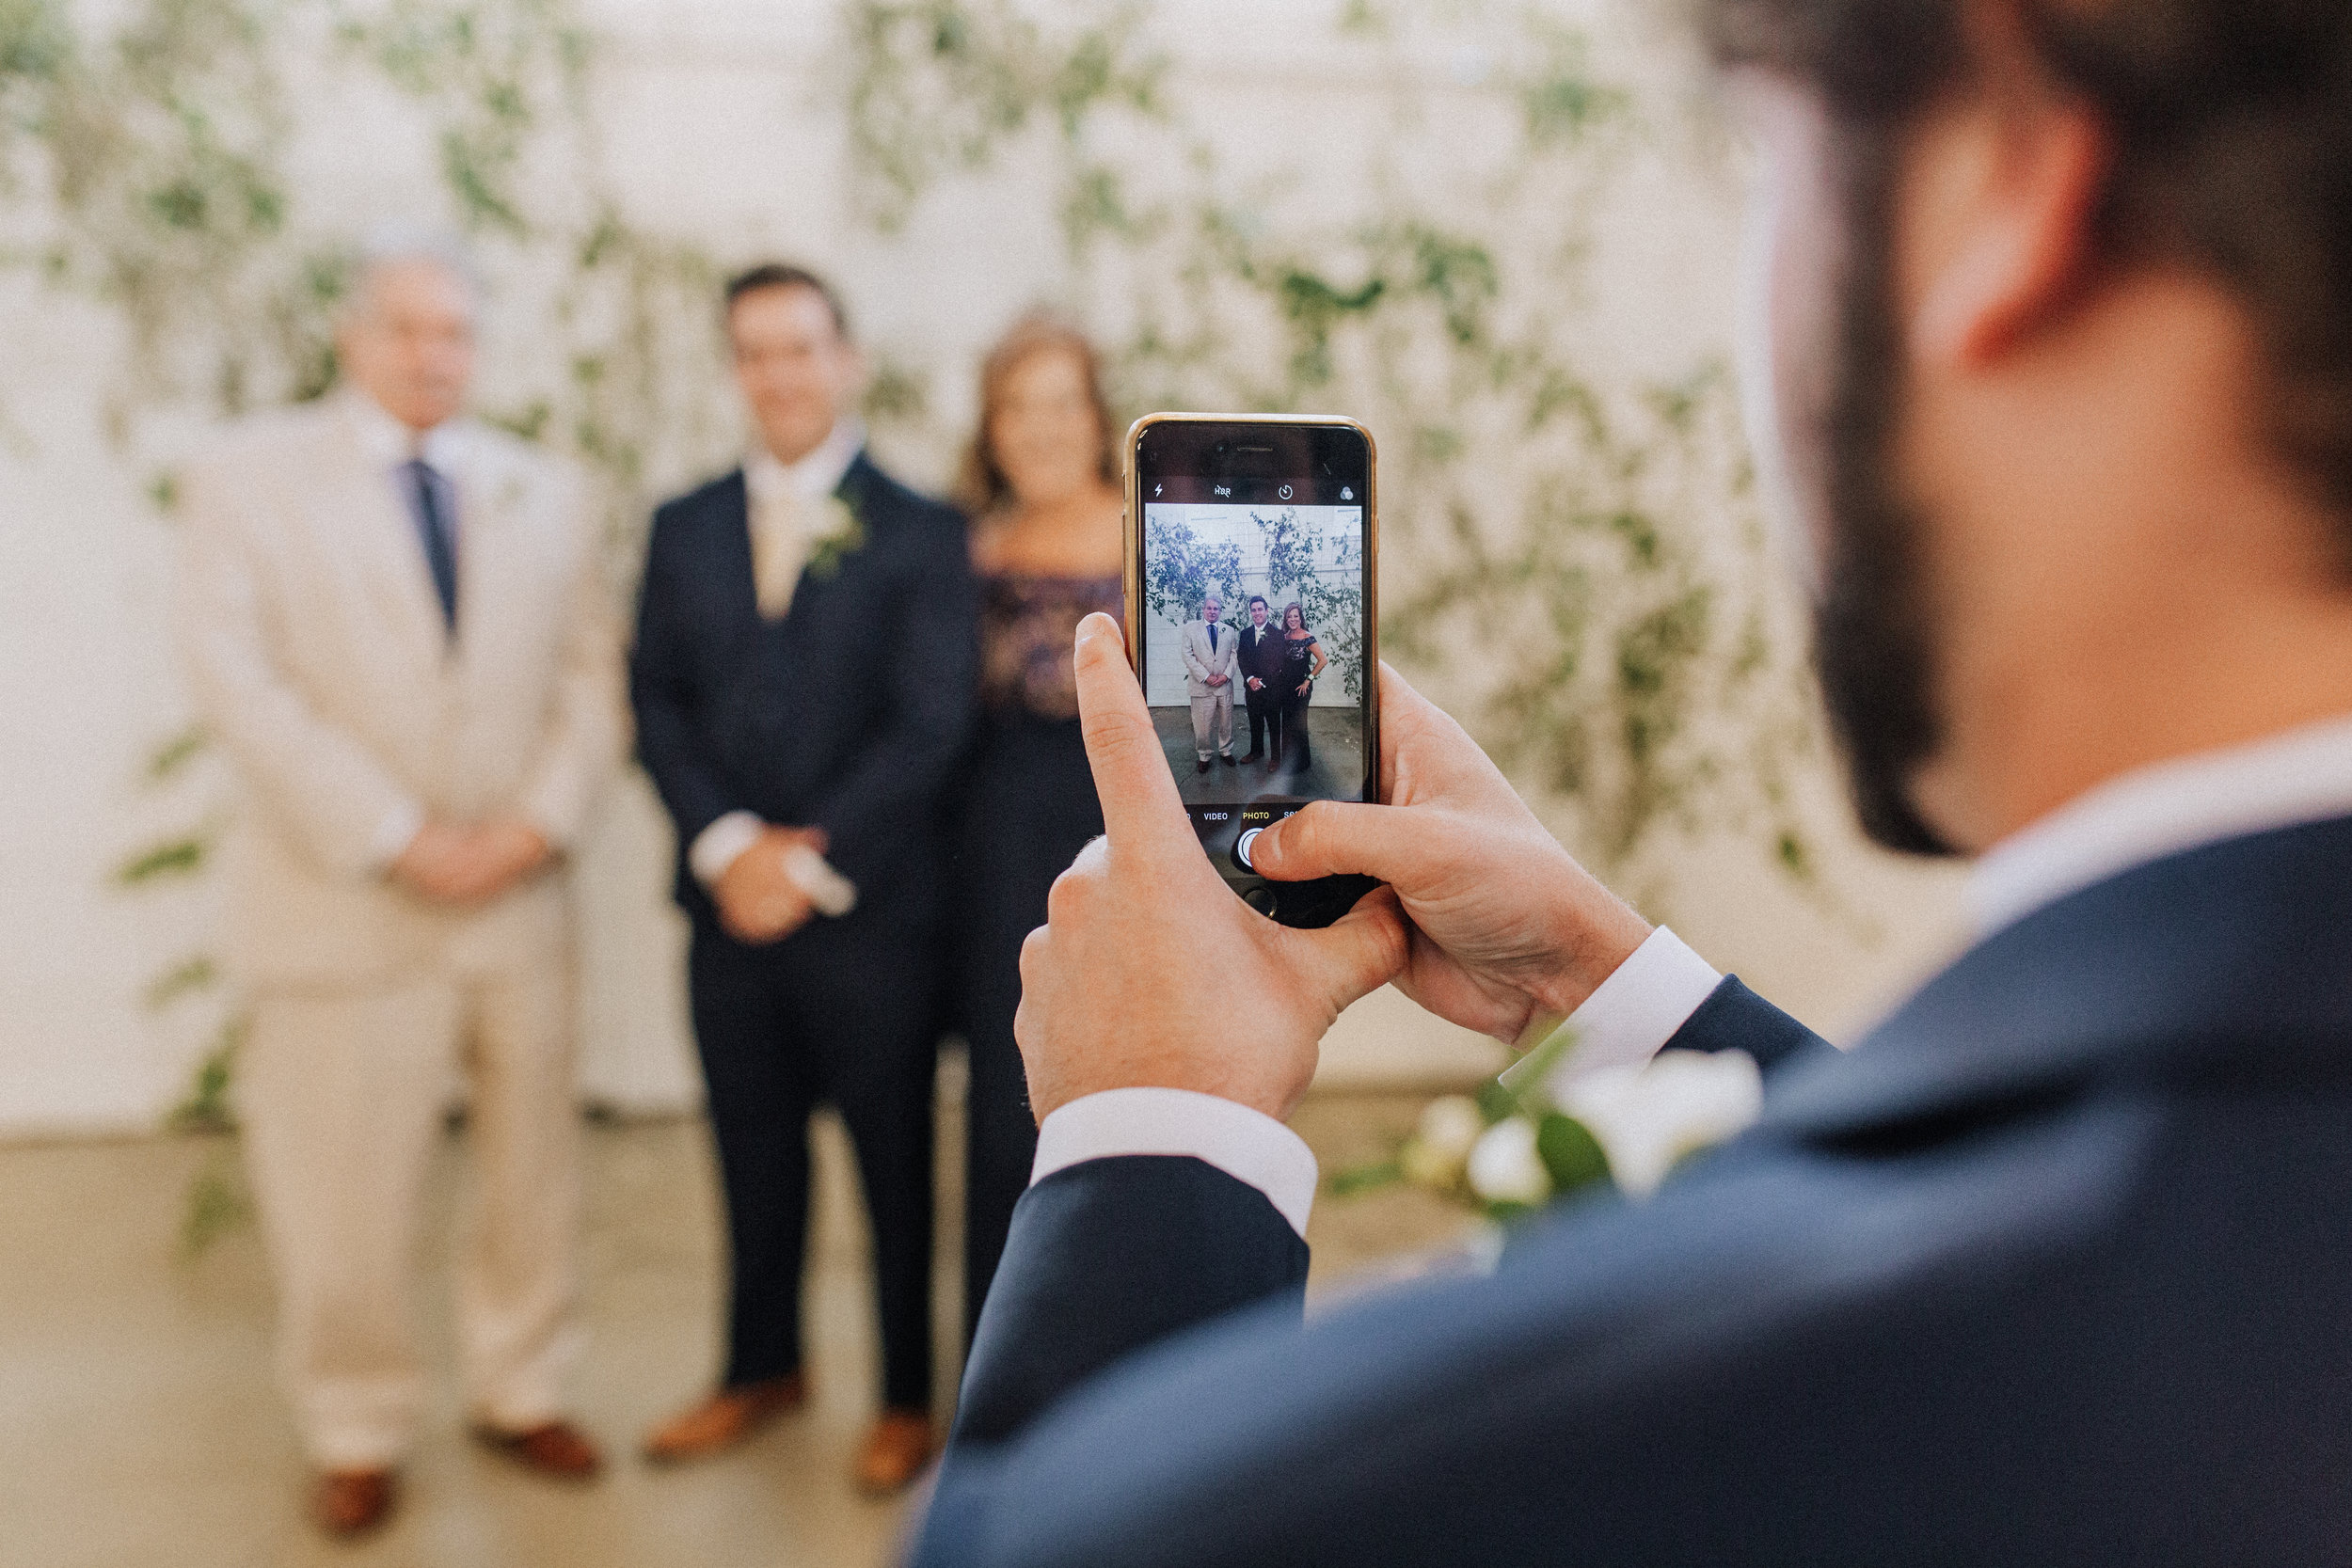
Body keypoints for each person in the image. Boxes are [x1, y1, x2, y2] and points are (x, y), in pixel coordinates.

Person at [911, 0, 2352, 1560]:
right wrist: (1603, 972)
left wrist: (1151, 1141)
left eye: (1762, 170)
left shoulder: (1540, 1459)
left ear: (2004, 184)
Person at [176, 231, 625, 1538]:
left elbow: (595, 676)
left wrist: (534, 824)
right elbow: (235, 682)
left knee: (533, 1174)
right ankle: (356, 1417)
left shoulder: (548, 488)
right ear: (353, 337)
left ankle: (521, 1379)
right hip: (344, 901)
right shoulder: (245, 483)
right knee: (340, 1186)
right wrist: (391, 832)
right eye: (407, 329)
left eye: (456, 332)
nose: (433, 354)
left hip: (519, 900)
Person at [629, 263, 977, 1493]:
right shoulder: (682, 525)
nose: (779, 373)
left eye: (800, 347)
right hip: (727, 910)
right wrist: (729, 848)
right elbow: (655, 703)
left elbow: (930, 725)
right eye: (755, 352)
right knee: (750, 1151)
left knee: (893, 1170)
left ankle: (900, 1395)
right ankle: (759, 1363)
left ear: (847, 359)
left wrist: (807, 854)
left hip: (869, 914)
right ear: (736, 371)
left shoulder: (928, 530)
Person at [948, 314, 1125, 1350]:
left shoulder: (1153, 526)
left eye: (1061, 400)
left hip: (1118, 818)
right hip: (999, 831)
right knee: (1005, 1091)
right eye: (1017, 404)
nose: (1040, 425)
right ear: (991, 427)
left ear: (1096, 417)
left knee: (1121, 1073)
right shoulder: (972, 546)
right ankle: (996, 1356)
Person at [1180, 595, 1239, 772]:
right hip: (1201, 686)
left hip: (1224, 685)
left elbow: (1234, 655)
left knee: (1226, 722)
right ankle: (1204, 755)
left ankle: (1226, 751)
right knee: (1202, 725)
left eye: (1216, 609)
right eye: (1209, 608)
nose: (1212, 612)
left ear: (1220, 611)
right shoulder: (1190, 629)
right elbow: (1187, 656)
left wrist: (1226, 675)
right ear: (1203, 609)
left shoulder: (1229, 630)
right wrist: (1206, 676)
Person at [1275, 601, 1327, 777]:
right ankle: (1287, 761)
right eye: (1289, 616)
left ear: (1300, 618)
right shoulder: (1284, 637)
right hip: (1285, 686)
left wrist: (1308, 680)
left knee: (1299, 723)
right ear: (1286, 619)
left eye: (1295, 616)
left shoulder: (1307, 637)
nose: (1292, 619)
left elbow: (1322, 660)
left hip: (1301, 687)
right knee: (1286, 723)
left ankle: (1302, 762)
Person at [1234, 594, 1283, 765]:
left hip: (1271, 688)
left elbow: (1279, 662)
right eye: (1253, 610)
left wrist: (1261, 682)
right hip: (1251, 687)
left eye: (1260, 609)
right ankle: (1256, 752)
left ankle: (1276, 758)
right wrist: (1250, 679)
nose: (1257, 613)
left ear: (1266, 610)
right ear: (1251, 612)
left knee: (1274, 723)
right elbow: (1242, 658)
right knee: (1255, 722)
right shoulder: (1245, 634)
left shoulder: (1277, 634)